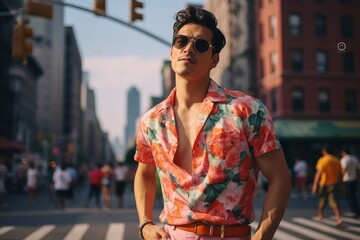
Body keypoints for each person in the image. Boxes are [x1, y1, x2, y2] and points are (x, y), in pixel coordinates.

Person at [134, 7, 292, 240]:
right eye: (181, 41)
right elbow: (145, 173)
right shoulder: (152, 121)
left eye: (200, 45)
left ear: (214, 59)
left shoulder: (246, 109)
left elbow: (281, 178)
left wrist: (262, 237)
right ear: (171, 51)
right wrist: (145, 224)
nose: (188, 48)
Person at [311, 145, 342, 226]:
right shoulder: (336, 159)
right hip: (334, 184)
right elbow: (341, 173)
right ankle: (335, 217)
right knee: (332, 200)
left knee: (324, 200)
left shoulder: (323, 160)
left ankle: (324, 216)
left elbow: (319, 173)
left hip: (324, 184)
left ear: (324, 151)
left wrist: (315, 185)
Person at [340, 147, 360, 218]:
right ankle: (356, 210)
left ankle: (354, 211)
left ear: (344, 153)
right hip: (354, 179)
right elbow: (358, 169)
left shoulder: (344, 159)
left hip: (347, 179)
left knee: (349, 196)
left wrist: (340, 178)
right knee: (353, 195)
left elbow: (344, 169)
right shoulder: (355, 158)